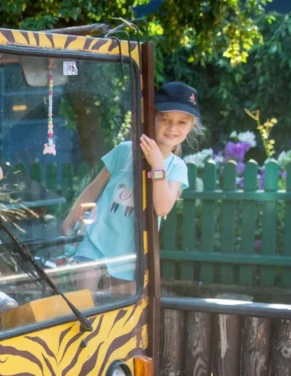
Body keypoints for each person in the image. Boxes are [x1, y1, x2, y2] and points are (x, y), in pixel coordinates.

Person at [62, 81, 198, 295]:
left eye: (182, 122)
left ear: (191, 127)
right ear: (151, 118)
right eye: (165, 119)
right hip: (95, 240)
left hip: (130, 252)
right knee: (84, 297)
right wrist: (70, 220)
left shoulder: (177, 167)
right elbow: (93, 189)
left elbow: (162, 208)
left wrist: (157, 165)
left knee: (124, 313)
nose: (173, 127)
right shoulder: (125, 151)